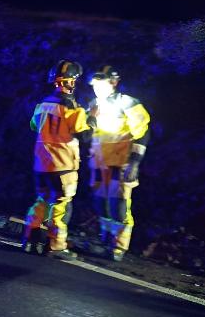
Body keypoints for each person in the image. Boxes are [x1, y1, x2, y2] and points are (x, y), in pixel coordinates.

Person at [21, 60, 91, 259]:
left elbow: (34, 126)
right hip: (63, 166)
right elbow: (84, 135)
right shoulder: (72, 108)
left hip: (41, 164)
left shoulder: (42, 104)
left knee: (41, 201)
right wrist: (92, 119)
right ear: (70, 82)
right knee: (61, 206)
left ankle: (29, 240)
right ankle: (56, 245)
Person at [86, 65, 151, 261]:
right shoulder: (93, 104)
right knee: (100, 203)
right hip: (99, 162)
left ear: (113, 83)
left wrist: (135, 162)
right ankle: (105, 240)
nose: (96, 87)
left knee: (119, 204)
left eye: (101, 83)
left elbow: (143, 132)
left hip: (121, 162)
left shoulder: (128, 103)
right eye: (95, 84)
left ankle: (118, 247)